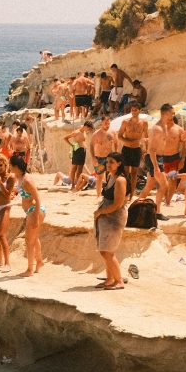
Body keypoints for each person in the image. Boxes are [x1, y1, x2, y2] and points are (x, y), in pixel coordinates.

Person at [94, 153, 128, 289]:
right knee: (104, 250)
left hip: (114, 218)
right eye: (107, 162)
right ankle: (109, 279)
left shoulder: (120, 180)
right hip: (105, 217)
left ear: (119, 163)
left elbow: (118, 204)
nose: (108, 165)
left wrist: (101, 212)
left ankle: (118, 281)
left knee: (108, 251)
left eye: (111, 162)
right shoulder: (110, 176)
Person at [147, 104, 186, 213]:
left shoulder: (178, 129)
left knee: (172, 180)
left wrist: (182, 159)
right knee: (157, 182)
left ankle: (167, 202)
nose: (172, 115)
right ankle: (157, 205)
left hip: (173, 158)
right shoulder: (159, 128)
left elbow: (184, 145)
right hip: (161, 158)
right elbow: (152, 146)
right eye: (171, 113)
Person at [10, 155, 44, 276]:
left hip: (34, 210)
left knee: (29, 241)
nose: (9, 167)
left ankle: (30, 269)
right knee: (34, 239)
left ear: (15, 167)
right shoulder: (20, 177)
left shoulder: (27, 180)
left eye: (11, 166)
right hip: (31, 211)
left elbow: (37, 198)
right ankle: (39, 261)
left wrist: (35, 216)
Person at [118, 103, 149, 198]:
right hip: (127, 148)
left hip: (136, 149)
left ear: (139, 110)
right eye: (132, 110)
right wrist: (128, 141)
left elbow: (146, 137)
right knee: (126, 171)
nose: (133, 112)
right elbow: (119, 136)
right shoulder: (125, 122)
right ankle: (125, 192)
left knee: (135, 172)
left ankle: (132, 193)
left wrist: (146, 151)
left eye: (135, 110)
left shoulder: (144, 123)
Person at [90, 115, 117, 196]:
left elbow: (116, 143)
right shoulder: (96, 134)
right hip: (100, 159)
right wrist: (93, 158)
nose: (107, 124)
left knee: (111, 176)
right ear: (101, 122)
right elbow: (91, 145)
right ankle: (98, 195)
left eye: (108, 122)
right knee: (99, 177)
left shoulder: (113, 132)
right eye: (105, 122)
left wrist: (116, 154)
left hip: (110, 158)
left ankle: (109, 194)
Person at [63, 121, 92, 191]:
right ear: (86, 126)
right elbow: (65, 138)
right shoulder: (77, 132)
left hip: (83, 151)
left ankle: (77, 184)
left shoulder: (84, 131)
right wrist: (72, 145)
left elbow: (82, 140)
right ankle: (73, 184)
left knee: (80, 169)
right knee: (74, 168)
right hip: (77, 150)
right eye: (88, 129)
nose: (89, 130)